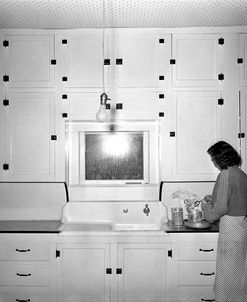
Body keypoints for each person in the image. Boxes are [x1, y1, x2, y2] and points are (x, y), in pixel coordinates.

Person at [201, 141, 247, 302]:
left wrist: (205, 207)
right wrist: (212, 199)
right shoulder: (241, 174)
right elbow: (233, 199)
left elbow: (217, 212)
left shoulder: (225, 174)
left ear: (220, 158)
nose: (213, 162)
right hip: (241, 227)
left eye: (213, 158)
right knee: (238, 271)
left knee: (227, 272)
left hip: (231, 229)